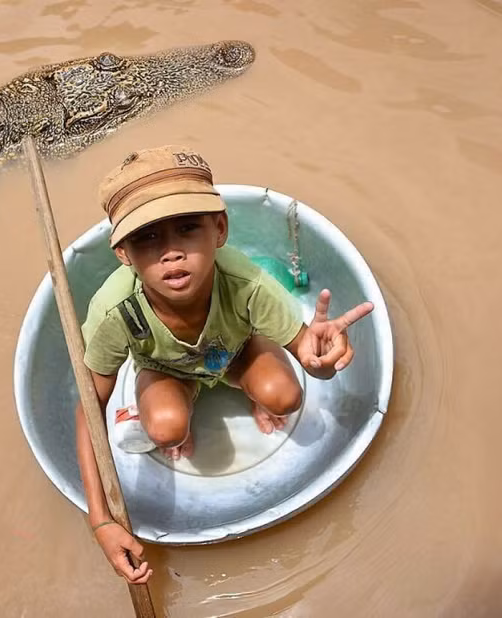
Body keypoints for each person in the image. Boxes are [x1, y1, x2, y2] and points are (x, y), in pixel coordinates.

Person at [75, 145, 374, 584]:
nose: (171, 253)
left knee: (285, 396)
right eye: (148, 238)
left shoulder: (246, 282)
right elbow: (90, 407)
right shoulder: (115, 311)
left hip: (234, 353)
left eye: (186, 229)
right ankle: (185, 404)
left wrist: (323, 363)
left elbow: (310, 355)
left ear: (219, 229)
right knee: (165, 427)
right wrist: (100, 520)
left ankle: (246, 390)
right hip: (167, 369)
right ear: (123, 253)